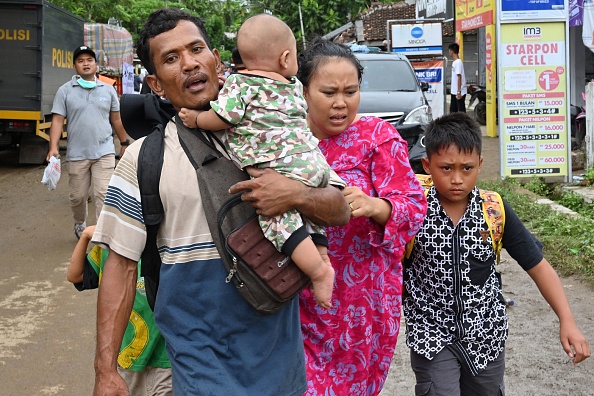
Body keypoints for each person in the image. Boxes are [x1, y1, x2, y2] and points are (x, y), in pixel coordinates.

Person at [91, 8, 350, 395]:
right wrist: (105, 370)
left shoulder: (275, 129)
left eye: (197, 49)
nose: (190, 63)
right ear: (155, 84)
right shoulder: (145, 158)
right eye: (171, 58)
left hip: (279, 358)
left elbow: (340, 209)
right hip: (201, 361)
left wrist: (295, 193)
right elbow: (122, 266)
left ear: (217, 60)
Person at [403, 112, 591, 395]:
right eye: (446, 168)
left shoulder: (494, 210)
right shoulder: (412, 207)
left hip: (486, 336)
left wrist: (568, 320)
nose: (457, 179)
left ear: (480, 164)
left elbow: (537, 265)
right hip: (431, 337)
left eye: (466, 168)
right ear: (427, 165)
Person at [178, 14, 342, 308]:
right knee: (307, 217)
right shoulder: (291, 85)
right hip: (310, 161)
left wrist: (196, 119)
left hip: (276, 164)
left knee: (278, 218)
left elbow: (224, 117)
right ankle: (323, 257)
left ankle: (318, 272)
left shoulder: (240, 84)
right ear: (285, 58)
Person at [296, 37, 427, 395]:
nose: (341, 104)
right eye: (329, 92)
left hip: (362, 303)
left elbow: (414, 207)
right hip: (298, 299)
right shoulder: (288, 142)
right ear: (304, 91)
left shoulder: (377, 137)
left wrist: (375, 206)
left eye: (351, 91)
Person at [66, 225, 172, 396]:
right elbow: (75, 275)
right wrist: (85, 236)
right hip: (127, 361)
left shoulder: (166, 242)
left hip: (165, 358)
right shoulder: (112, 249)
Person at [46, 45, 129, 240]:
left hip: (104, 151)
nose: (85, 64)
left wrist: (124, 143)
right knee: (78, 197)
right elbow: (57, 120)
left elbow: (116, 119)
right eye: (81, 61)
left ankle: (101, 235)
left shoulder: (108, 90)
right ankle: (79, 222)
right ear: (74, 66)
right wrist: (53, 147)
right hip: (77, 154)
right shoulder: (65, 91)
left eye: (89, 60)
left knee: (104, 194)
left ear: (96, 64)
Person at [448, 43, 467, 113]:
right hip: (454, 92)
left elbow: (459, 77)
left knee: (461, 112)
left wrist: (459, 92)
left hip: (459, 92)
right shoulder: (455, 62)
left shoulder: (458, 62)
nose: (449, 52)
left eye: (449, 51)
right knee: (453, 112)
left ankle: (465, 124)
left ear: (452, 51)